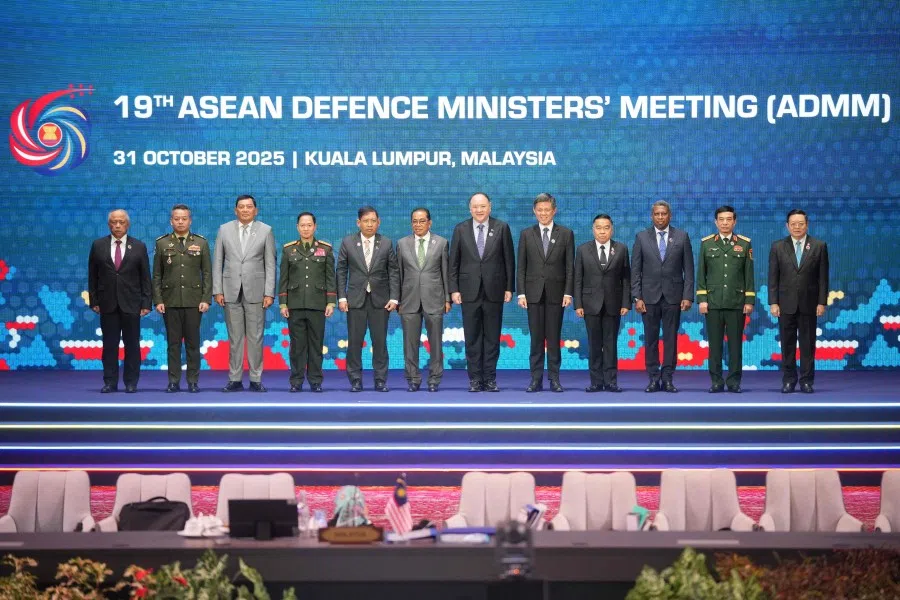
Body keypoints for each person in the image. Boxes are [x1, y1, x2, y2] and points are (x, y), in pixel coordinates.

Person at [449, 192, 515, 392]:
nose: (479, 210)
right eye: (475, 207)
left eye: (483, 206)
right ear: (470, 208)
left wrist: (509, 287)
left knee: (492, 337)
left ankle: (490, 379)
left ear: (490, 207)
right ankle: (475, 379)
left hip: (494, 291)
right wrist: (454, 289)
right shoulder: (460, 229)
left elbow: (509, 261)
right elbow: (454, 262)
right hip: (468, 292)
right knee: (472, 337)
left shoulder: (501, 227)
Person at [212, 194, 276, 392]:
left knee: (256, 337)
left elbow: (270, 264)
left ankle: (256, 379)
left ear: (255, 210)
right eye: (242, 207)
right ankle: (235, 378)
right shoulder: (224, 229)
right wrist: (217, 290)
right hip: (230, 290)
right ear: (235, 210)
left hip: (256, 291)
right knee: (235, 337)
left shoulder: (266, 230)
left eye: (249, 207)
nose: (245, 210)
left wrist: (269, 292)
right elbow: (218, 262)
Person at [631, 200, 694, 393]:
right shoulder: (641, 237)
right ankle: (653, 378)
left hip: (673, 297)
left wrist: (688, 296)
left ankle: (667, 378)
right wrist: (637, 296)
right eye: (657, 214)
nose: (660, 217)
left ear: (670, 215)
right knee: (650, 339)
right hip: (648, 298)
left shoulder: (682, 237)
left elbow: (689, 270)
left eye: (664, 214)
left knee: (670, 339)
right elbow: (635, 270)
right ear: (652, 216)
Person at [88, 209, 151, 393]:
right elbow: (92, 276)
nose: (117, 225)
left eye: (121, 222)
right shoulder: (98, 245)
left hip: (132, 303)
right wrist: (94, 300)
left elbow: (145, 277)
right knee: (109, 345)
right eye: (114, 222)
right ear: (109, 224)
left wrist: (146, 303)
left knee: (132, 345)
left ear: (127, 224)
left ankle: (131, 383)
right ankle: (110, 382)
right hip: (107, 303)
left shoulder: (138, 246)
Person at [336, 206, 399, 392]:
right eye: (366, 221)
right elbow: (341, 271)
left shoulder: (386, 243)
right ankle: (355, 380)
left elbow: (393, 272)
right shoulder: (348, 242)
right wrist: (341, 297)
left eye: (373, 221)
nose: (370, 224)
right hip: (355, 300)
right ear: (359, 223)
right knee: (354, 342)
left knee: (379, 342)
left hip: (381, 301)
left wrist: (394, 297)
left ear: (378, 222)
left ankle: (380, 380)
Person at [516, 193, 574, 392]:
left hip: (557, 294)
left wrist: (568, 293)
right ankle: (536, 379)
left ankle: (555, 379)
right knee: (536, 339)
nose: (543, 213)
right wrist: (521, 293)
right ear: (534, 211)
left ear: (554, 211)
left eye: (546, 210)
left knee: (554, 337)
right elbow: (521, 266)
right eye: (539, 210)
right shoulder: (526, 234)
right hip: (532, 294)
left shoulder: (566, 234)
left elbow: (569, 268)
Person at [152, 204, 211, 393]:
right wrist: (158, 300)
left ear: (190, 220)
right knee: (173, 344)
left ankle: (193, 381)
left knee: (193, 344)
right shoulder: (162, 243)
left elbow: (207, 273)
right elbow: (157, 276)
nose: (180, 221)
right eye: (176, 218)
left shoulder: (201, 243)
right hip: (170, 302)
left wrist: (206, 298)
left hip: (194, 301)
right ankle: (173, 381)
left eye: (184, 218)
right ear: (171, 221)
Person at [768, 209, 829, 394]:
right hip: (785, 304)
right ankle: (788, 380)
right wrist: (773, 302)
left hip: (810, 304)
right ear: (787, 226)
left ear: (807, 224)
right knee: (787, 344)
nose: (797, 227)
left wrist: (821, 302)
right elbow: (773, 277)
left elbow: (823, 278)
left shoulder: (819, 246)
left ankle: (807, 381)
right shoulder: (778, 246)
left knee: (808, 345)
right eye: (793, 224)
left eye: (800, 223)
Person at [697, 205, 755, 393]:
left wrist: (749, 300)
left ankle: (733, 381)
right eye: (721, 219)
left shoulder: (745, 244)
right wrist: (702, 299)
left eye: (728, 219)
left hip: (736, 302)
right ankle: (716, 381)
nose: (724, 223)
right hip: (712, 303)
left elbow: (749, 274)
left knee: (735, 345)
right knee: (714, 346)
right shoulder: (706, 244)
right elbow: (701, 274)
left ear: (734, 221)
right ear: (716, 222)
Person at [278, 212, 336, 393]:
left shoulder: (325, 249)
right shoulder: (289, 250)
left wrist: (331, 302)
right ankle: (296, 381)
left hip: (318, 304)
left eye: (309, 225)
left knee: (316, 345)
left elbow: (330, 278)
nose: (306, 228)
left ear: (315, 227)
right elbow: (284, 279)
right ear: (297, 227)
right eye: (302, 225)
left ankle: (315, 381)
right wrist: (282, 303)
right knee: (297, 346)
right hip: (294, 305)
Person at [574, 214, 631, 392]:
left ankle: (611, 381)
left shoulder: (621, 249)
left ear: (611, 229)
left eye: (606, 227)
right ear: (593, 229)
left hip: (614, 303)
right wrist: (578, 304)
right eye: (598, 227)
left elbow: (626, 279)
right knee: (594, 343)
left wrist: (625, 303)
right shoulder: (583, 250)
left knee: (610, 343)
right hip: (590, 304)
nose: (602, 231)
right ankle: (596, 381)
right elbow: (578, 279)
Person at [396, 208, 450, 392]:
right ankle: (413, 379)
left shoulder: (441, 243)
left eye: (421, 221)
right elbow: (399, 275)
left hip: (434, 300)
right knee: (410, 344)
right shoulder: (402, 244)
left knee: (435, 343)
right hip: (409, 300)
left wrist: (447, 299)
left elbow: (445, 273)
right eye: (414, 221)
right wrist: (398, 299)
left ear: (429, 223)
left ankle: (434, 379)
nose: (418, 225)